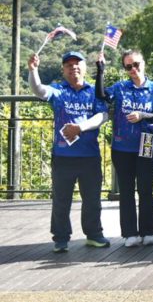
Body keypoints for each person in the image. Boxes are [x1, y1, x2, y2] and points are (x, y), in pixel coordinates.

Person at [28, 51, 110, 252]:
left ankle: (94, 234)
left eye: (77, 63)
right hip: (63, 156)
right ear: (63, 70)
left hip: (89, 155)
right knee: (61, 200)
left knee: (92, 199)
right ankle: (61, 238)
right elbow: (38, 90)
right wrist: (33, 70)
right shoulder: (58, 90)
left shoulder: (94, 90)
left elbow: (103, 115)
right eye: (68, 65)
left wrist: (81, 128)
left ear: (84, 67)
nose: (73, 67)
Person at [96, 50, 153, 247]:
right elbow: (101, 95)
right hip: (122, 145)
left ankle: (148, 231)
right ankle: (130, 233)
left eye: (136, 64)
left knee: (145, 188)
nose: (134, 69)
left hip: (147, 141)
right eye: (129, 66)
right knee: (126, 190)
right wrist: (100, 70)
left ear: (143, 63)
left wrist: (143, 115)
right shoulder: (120, 87)